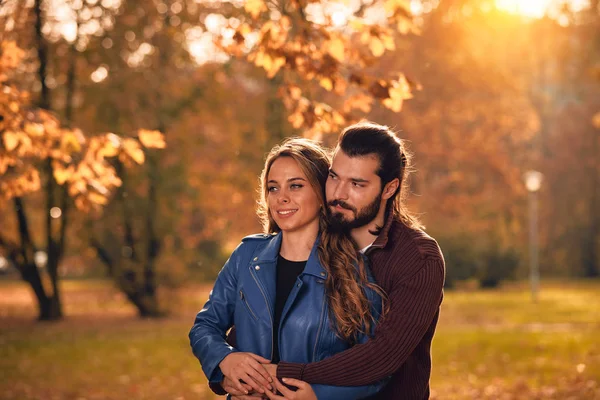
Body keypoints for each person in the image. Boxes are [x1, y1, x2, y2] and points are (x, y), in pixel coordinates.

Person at [223, 122, 445, 400]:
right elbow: (263, 323)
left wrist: (283, 374)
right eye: (334, 177)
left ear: (389, 189)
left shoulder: (418, 259)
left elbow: (382, 356)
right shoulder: (314, 236)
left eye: (357, 184)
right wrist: (231, 372)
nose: (339, 193)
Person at [189, 138, 388, 399]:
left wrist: (318, 395)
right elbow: (205, 326)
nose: (282, 198)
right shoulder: (246, 256)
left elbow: (374, 370)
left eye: (295, 186)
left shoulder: (352, 269)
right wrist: (225, 362)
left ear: (321, 195)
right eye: (273, 188)